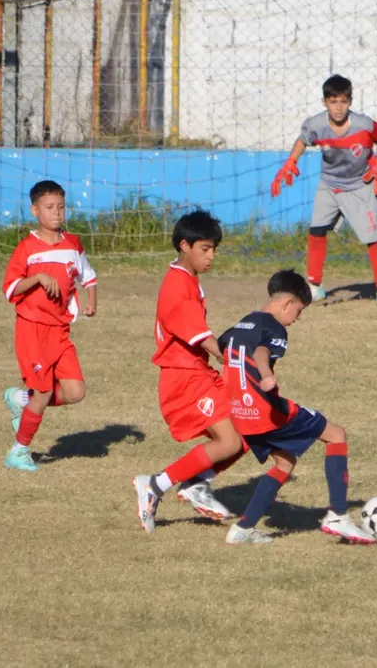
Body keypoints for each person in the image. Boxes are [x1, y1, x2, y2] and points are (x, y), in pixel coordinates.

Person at [218, 269, 376, 544]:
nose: (297, 318)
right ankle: (338, 515)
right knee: (336, 434)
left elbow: (223, 346)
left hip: (240, 413)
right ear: (286, 303)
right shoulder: (275, 328)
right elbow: (261, 352)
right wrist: (266, 375)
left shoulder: (243, 323)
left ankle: (242, 529)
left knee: (285, 461)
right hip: (266, 410)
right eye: (299, 311)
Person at [133, 210, 245, 533]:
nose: (211, 257)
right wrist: (234, 360)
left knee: (250, 425)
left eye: (214, 250)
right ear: (185, 245)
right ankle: (156, 485)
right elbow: (203, 338)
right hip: (184, 380)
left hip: (197, 373)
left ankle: (196, 482)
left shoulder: (188, 278)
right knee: (229, 441)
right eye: (205, 249)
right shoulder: (177, 287)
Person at [271, 74, 377, 308]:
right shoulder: (316, 125)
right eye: (333, 101)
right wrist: (291, 161)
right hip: (329, 185)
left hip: (360, 185)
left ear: (350, 101)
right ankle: (314, 286)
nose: (338, 107)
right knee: (316, 230)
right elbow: (303, 140)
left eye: (343, 101)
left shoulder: (364, 124)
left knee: (373, 236)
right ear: (324, 102)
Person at [1, 180, 97, 472]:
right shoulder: (27, 249)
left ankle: (21, 399)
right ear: (34, 210)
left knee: (75, 392)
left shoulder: (73, 244)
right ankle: (18, 451)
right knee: (43, 392)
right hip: (33, 329)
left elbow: (88, 274)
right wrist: (39, 278)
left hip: (60, 330)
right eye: (49, 207)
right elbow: (10, 289)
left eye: (61, 207)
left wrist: (92, 300)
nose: (56, 213)